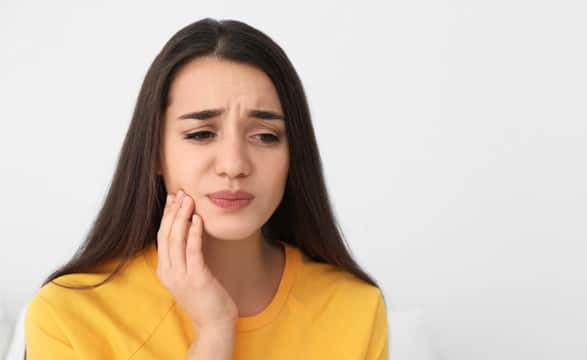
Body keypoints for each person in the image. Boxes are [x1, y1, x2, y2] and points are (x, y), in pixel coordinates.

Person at [24, 17, 388, 359]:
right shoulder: (68, 317)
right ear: (153, 153)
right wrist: (214, 333)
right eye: (200, 134)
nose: (234, 165)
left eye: (265, 136)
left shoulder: (356, 308)